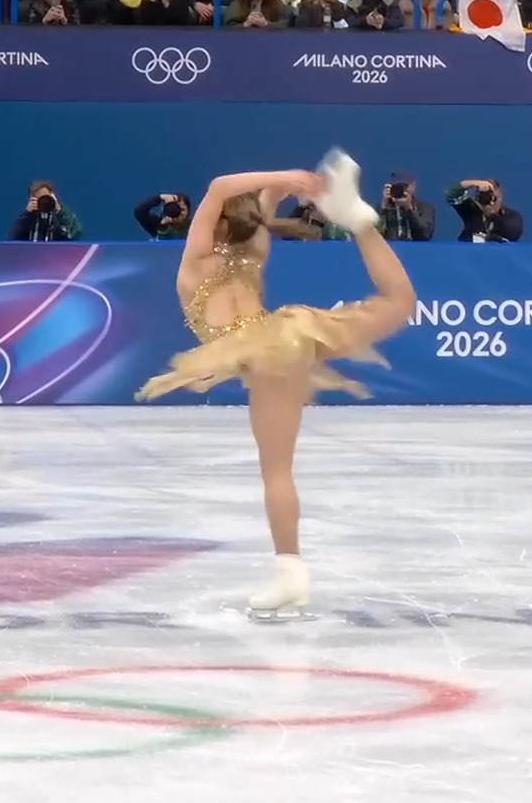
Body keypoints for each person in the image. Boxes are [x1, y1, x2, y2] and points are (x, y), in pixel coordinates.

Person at [136, 149, 416, 614]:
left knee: (277, 470)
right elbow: (252, 202)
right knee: (400, 301)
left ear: (213, 222)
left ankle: (290, 570)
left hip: (263, 352)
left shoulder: (196, 260)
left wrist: (283, 180)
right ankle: (360, 222)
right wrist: (292, 184)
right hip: (293, 333)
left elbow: (219, 186)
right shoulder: (255, 249)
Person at [9, 181, 82, 242]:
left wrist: (60, 211)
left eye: (46, 197)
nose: (44, 201)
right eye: (40, 199)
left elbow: (74, 235)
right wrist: (27, 214)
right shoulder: (28, 218)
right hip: (32, 256)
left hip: (56, 256)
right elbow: (14, 238)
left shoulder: (60, 216)